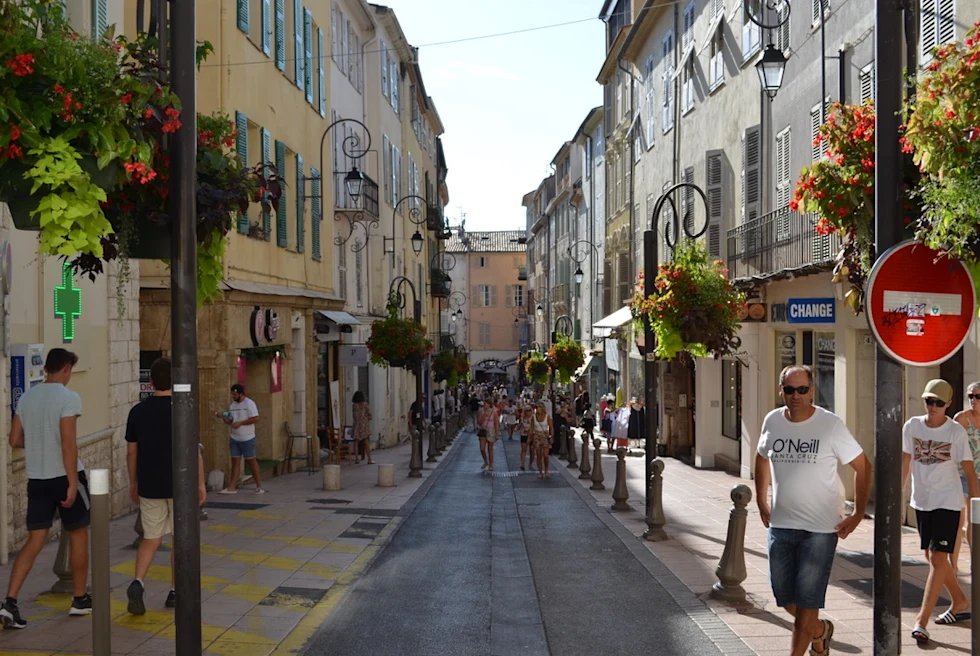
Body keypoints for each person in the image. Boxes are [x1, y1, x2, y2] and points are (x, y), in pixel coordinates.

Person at [755, 365, 871, 656]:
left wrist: (857, 513)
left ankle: (806, 641)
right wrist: (760, 498)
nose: (796, 396)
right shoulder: (772, 420)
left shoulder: (830, 424)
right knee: (784, 597)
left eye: (802, 390)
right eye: (790, 390)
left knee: (807, 603)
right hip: (781, 524)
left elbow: (862, 466)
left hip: (820, 530)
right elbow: (761, 457)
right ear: (781, 390)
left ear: (812, 391)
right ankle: (820, 630)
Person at [0, 349, 91, 629]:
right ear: (64, 368)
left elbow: (14, 439)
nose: (69, 377)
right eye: (70, 371)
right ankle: (79, 598)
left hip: (37, 479)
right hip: (64, 476)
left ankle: (10, 603)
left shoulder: (27, 396)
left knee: (35, 540)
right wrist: (73, 483)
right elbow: (68, 443)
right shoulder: (68, 398)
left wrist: (38, 442)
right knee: (78, 535)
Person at [125, 358, 206, 614]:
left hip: (150, 484)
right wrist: (201, 483)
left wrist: (134, 481)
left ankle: (138, 581)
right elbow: (194, 451)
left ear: (151, 382)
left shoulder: (137, 411)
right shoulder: (184, 409)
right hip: (180, 485)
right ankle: (175, 590)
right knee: (180, 540)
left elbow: (131, 453)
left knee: (150, 538)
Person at [903, 379, 978, 643]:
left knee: (937, 558)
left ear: (947, 404)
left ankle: (920, 621)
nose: (932, 407)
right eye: (928, 401)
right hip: (922, 501)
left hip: (948, 501)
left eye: (938, 402)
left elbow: (969, 472)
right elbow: (905, 460)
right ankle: (959, 601)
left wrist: (976, 513)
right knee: (932, 556)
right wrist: (897, 498)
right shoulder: (911, 426)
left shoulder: (955, 432)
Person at [216, 384, 264, 495]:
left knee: (251, 461)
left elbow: (256, 418)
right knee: (235, 462)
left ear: (241, 393)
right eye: (232, 394)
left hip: (248, 438)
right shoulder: (232, 405)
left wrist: (241, 423)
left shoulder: (249, 403)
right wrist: (223, 417)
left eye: (235, 394)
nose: (233, 396)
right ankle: (232, 487)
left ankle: (259, 486)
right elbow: (231, 421)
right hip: (235, 438)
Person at [953, 381, 980, 565]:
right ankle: (954, 564)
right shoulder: (962, 419)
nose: (974, 400)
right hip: (964, 475)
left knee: (977, 521)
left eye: (978, 396)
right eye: (970, 396)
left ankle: (975, 560)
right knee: (965, 519)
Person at [531, 402, 554, 479]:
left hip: (545, 436)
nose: (536, 409)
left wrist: (551, 437)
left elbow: (551, 427)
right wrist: (530, 439)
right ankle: (540, 471)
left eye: (538, 407)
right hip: (537, 437)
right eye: (536, 407)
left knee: (545, 455)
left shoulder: (547, 417)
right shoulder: (533, 417)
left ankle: (546, 470)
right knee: (538, 455)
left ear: (542, 408)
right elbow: (531, 428)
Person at [352, 391, 374, 465]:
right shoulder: (365, 405)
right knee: (366, 442)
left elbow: (354, 416)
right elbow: (370, 416)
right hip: (364, 426)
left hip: (356, 425)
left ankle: (356, 459)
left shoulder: (354, 406)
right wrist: (366, 417)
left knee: (356, 442)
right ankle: (369, 459)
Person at [477, 399, 499, 472]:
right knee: (482, 448)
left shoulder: (494, 412)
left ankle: (491, 464)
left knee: (490, 449)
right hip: (483, 430)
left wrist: (497, 433)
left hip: (491, 430)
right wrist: (483, 417)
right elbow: (479, 423)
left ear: (489, 404)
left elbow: (496, 423)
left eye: (486, 404)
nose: (485, 405)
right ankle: (486, 461)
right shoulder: (481, 411)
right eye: (484, 403)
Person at [518, 403, 532, 472]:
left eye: (529, 410)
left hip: (532, 436)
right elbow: (519, 425)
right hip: (523, 435)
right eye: (527, 410)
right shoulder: (522, 418)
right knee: (524, 450)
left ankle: (530, 463)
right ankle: (522, 464)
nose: (528, 412)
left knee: (532, 451)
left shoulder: (533, 418)